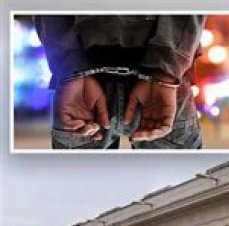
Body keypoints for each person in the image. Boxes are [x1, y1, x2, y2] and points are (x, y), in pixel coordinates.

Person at [34, 15, 206, 149]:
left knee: (77, 182)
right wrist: (168, 67)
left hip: (81, 82)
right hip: (162, 84)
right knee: (176, 180)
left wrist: (69, 63)